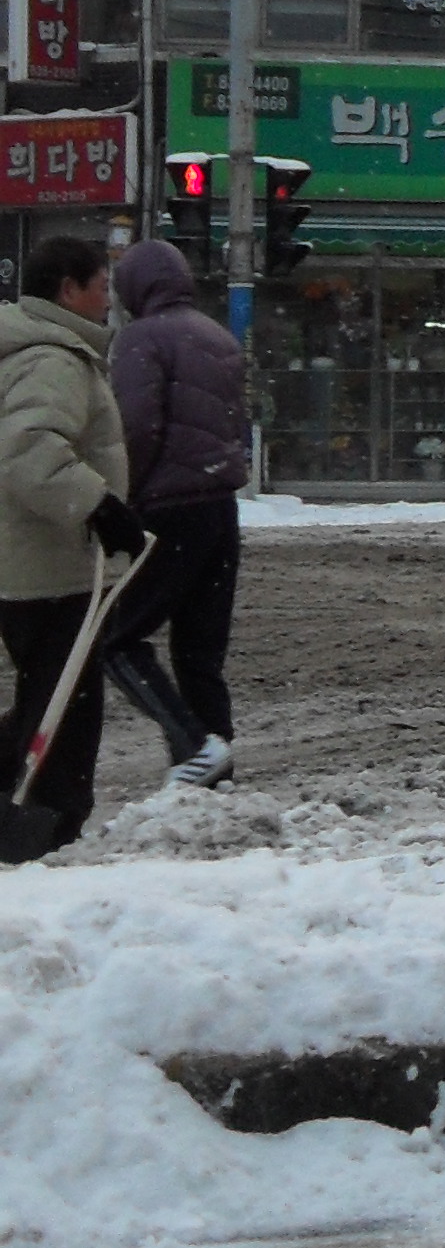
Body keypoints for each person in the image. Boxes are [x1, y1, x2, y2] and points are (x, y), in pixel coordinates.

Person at [0, 236, 146, 864]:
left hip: (32, 558)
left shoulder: (34, 345)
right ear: (68, 289)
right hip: (47, 566)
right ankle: (48, 829)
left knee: (48, 697)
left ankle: (40, 818)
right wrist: (99, 506)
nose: (107, 300)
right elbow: (29, 449)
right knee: (63, 706)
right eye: (100, 286)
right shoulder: (55, 359)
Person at [100, 235, 250, 792]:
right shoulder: (217, 336)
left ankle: (193, 745)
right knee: (199, 651)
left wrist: (124, 497)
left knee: (117, 638)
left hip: (170, 509)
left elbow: (137, 427)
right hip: (220, 508)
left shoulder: (140, 339)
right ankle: (216, 773)